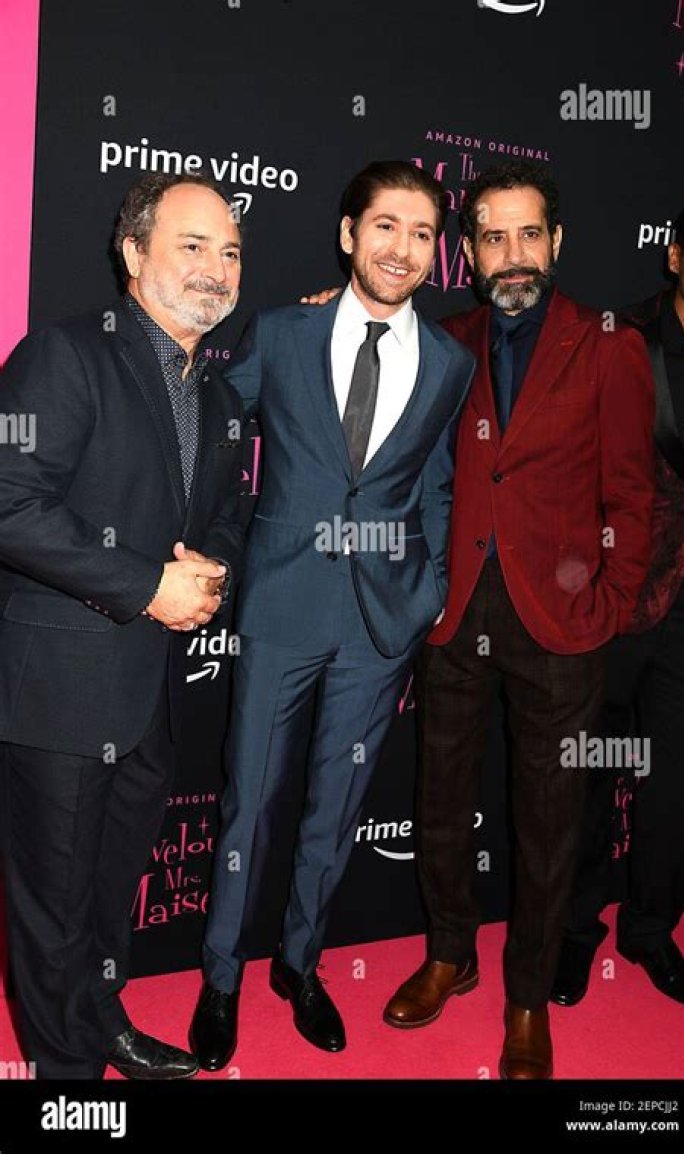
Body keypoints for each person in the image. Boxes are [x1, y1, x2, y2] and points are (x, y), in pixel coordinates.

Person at [188, 160, 475, 1068]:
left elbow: (437, 485)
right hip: (281, 603)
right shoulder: (282, 332)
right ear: (350, 235)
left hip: (381, 622)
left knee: (337, 807)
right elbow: (212, 436)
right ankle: (222, 978)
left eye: (422, 234)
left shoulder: (451, 364)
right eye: (385, 226)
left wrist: (429, 590)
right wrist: (200, 542)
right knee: (249, 804)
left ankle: (301, 965)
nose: (402, 248)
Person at [382, 160, 656, 1079]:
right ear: (468, 251)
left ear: (557, 241)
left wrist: (610, 602)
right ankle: (449, 953)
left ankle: (529, 997)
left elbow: (633, 491)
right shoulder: (444, 341)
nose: (513, 254)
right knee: (439, 798)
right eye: (493, 236)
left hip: (563, 621)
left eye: (528, 234)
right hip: (456, 611)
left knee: (549, 821)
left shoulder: (608, 345)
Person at [0, 171, 246, 1078]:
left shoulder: (218, 399)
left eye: (230, 251)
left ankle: (102, 1025)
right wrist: (148, 587)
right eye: (193, 245)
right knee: (55, 908)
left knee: (109, 895)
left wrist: (213, 571)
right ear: (133, 253)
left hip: (150, 700)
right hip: (62, 697)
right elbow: (9, 501)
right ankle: (67, 1084)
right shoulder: (65, 354)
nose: (217, 267)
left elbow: (226, 518)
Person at [550, 190, 684, 1013]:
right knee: (585, 784)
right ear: (676, 255)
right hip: (614, 604)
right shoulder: (615, 340)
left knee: (678, 790)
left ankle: (650, 933)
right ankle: (573, 934)